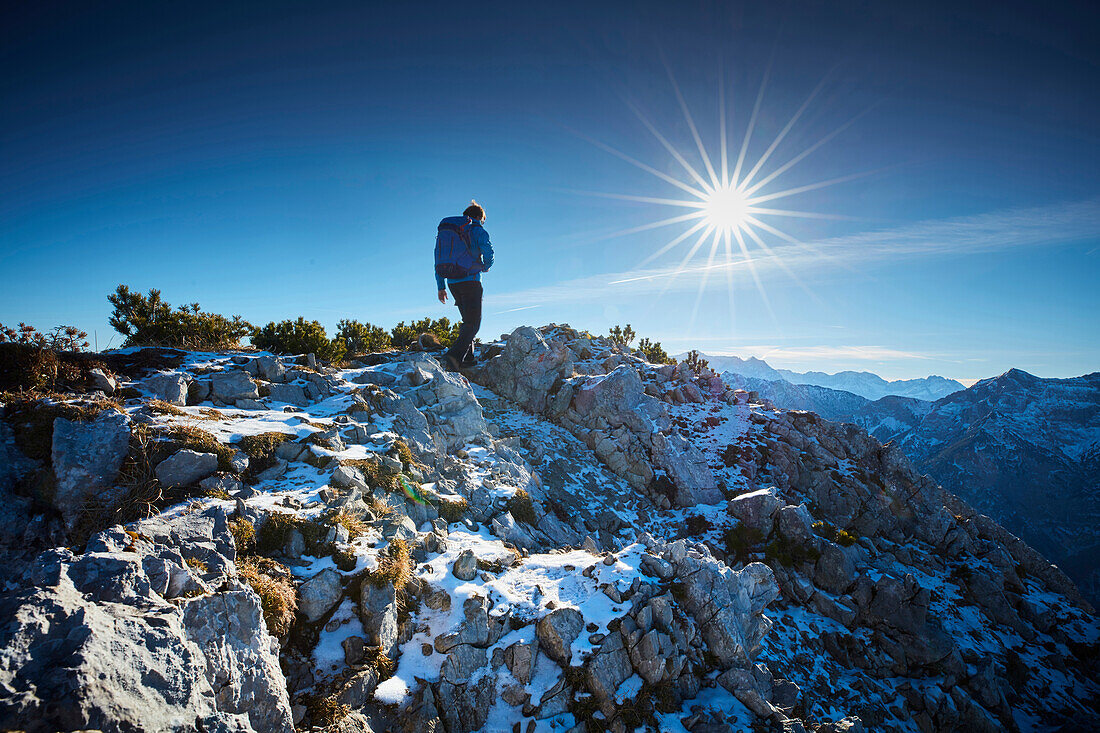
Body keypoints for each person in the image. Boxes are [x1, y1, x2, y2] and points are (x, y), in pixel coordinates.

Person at [435, 200, 494, 371]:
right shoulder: (476, 229)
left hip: (452, 283)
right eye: (482, 220)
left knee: (467, 320)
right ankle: (453, 358)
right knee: (474, 323)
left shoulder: (447, 233)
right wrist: (486, 266)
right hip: (471, 280)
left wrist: (441, 287)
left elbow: (438, 260)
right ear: (477, 217)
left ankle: (468, 358)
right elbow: (488, 250)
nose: (482, 222)